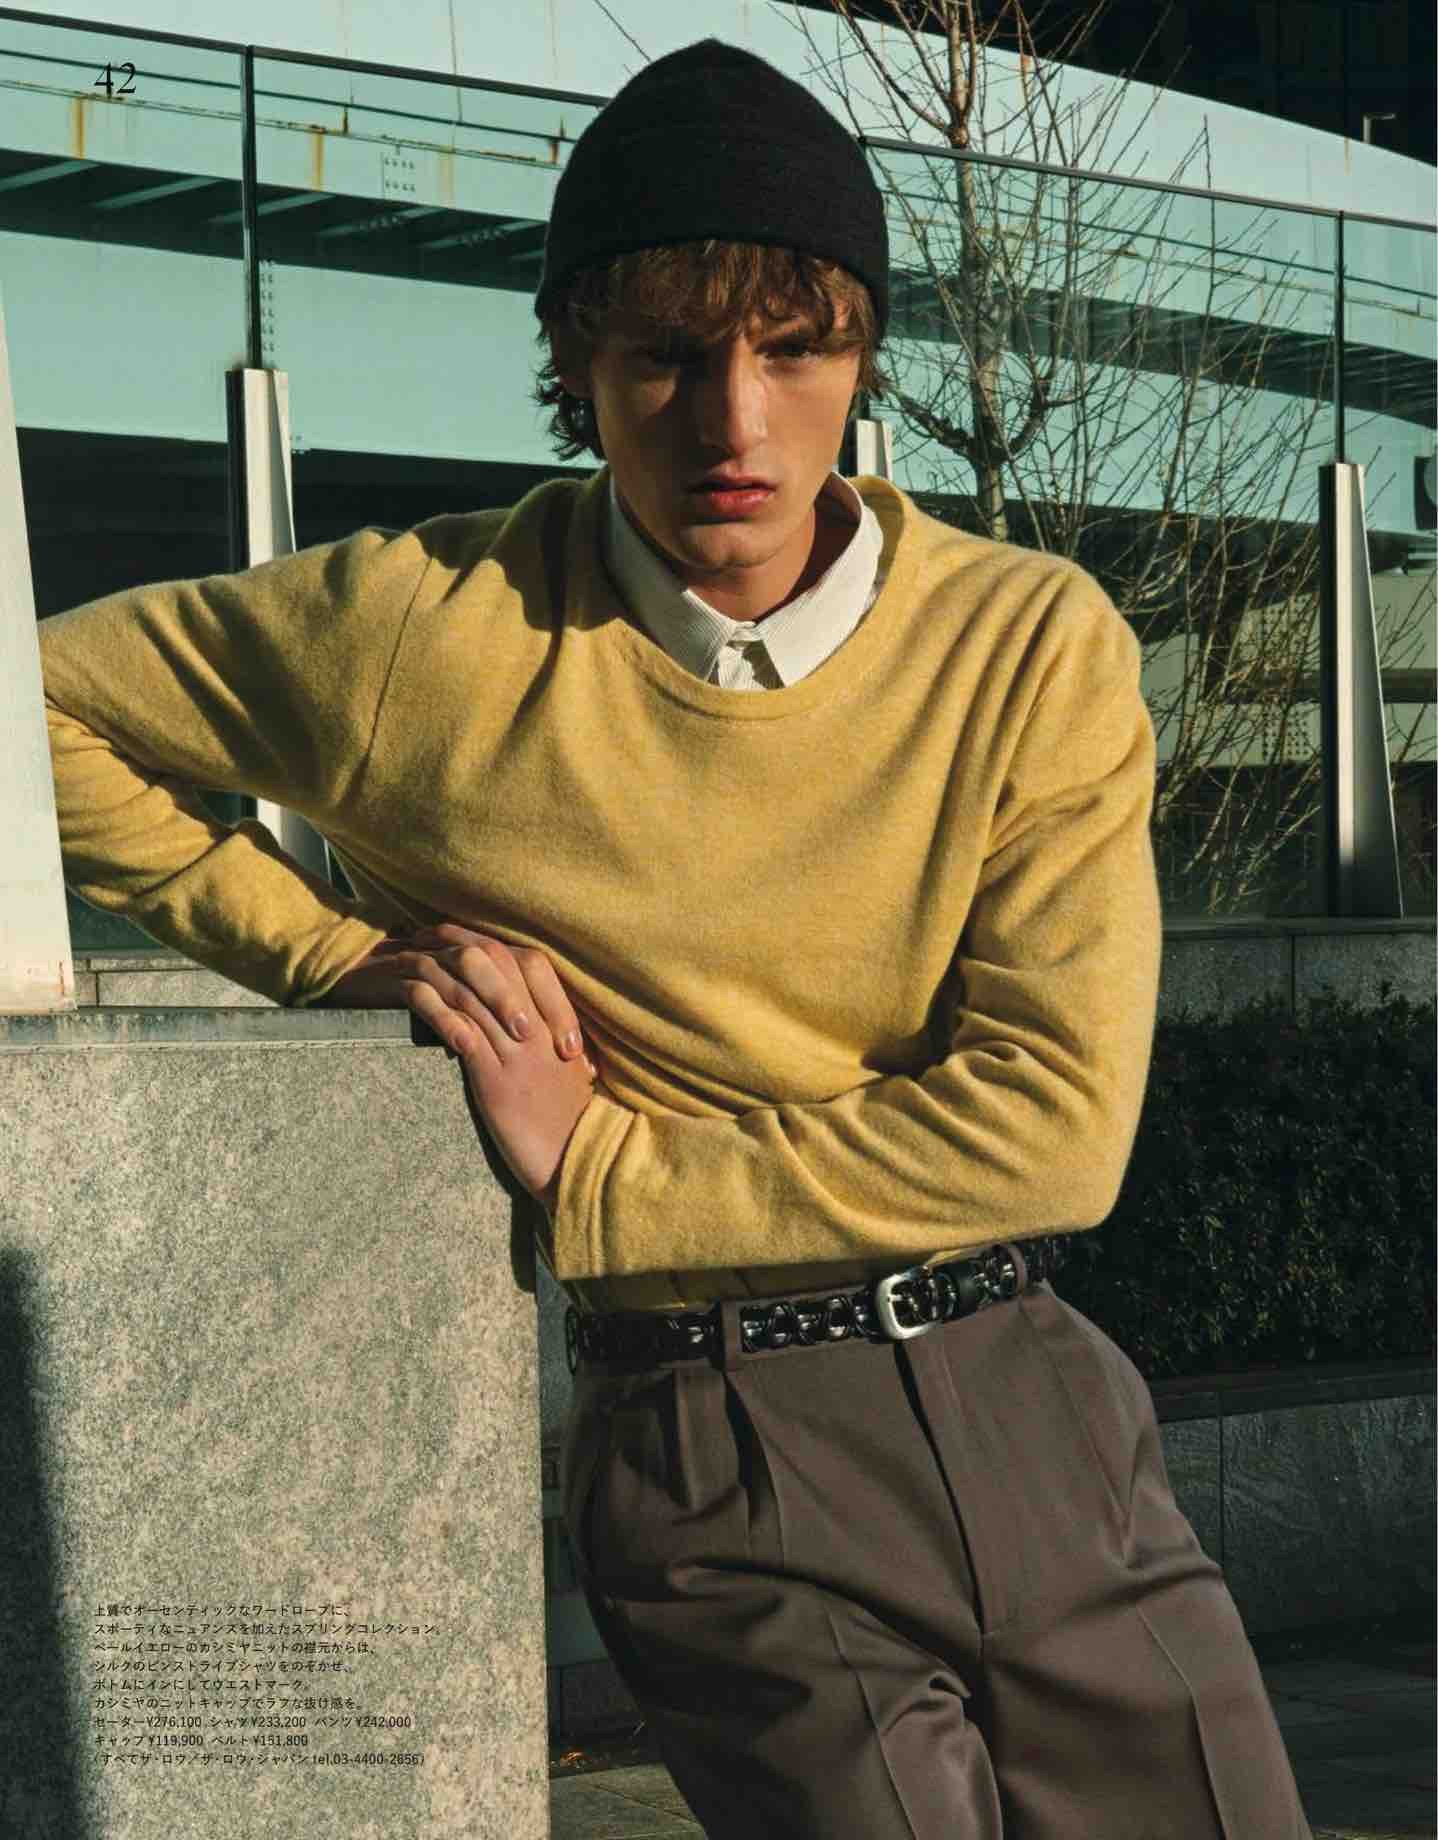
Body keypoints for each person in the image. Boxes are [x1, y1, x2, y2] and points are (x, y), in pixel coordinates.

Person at [39, 36, 1312, 1839]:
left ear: (859, 356)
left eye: (792, 350)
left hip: (1033, 1395)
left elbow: (1052, 1128)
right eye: (663, 356)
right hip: (715, 1434)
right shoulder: (425, 628)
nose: (733, 423)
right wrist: (329, 959)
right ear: (574, 361)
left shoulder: (1028, 643)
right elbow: (30, 711)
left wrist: (606, 1174)